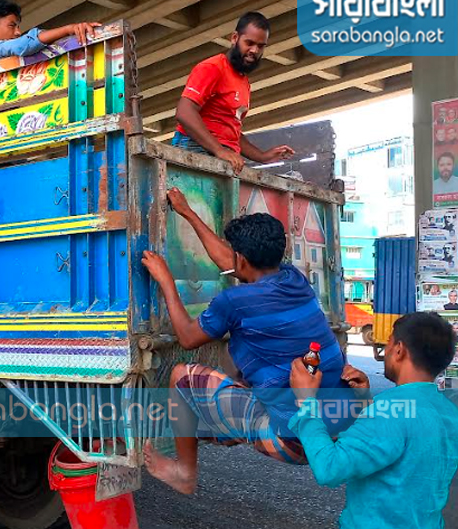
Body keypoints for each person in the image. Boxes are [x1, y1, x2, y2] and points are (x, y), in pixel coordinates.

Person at [140, 187, 358, 495]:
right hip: (335, 425)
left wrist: (165, 280)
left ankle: (184, 471)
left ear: (241, 259)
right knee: (239, 382)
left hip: (296, 438)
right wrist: (187, 212)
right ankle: (222, 430)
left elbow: (188, 338)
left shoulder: (235, 301)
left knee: (182, 377)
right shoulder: (294, 278)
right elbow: (229, 262)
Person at [289, 312, 458, 529]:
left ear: (399, 350)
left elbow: (330, 467)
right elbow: (402, 450)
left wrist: (306, 400)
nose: (386, 351)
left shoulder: (390, 411)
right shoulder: (448, 412)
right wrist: (365, 401)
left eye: (388, 344)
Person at [173, 12, 295, 173]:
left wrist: (263, 156)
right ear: (234, 38)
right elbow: (184, 112)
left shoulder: (244, 83)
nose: (254, 50)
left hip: (222, 154)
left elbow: (231, 132)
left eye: (260, 46)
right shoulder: (213, 68)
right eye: (249, 43)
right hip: (195, 148)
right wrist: (220, 150)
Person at [0, 0, 100, 66]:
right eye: (12, 26)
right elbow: (22, 46)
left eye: (18, 27)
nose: (18, 32)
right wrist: (69, 29)